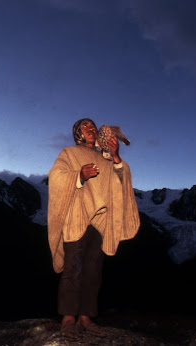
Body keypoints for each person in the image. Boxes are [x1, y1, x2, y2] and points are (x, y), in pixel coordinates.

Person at [47, 118, 140, 340]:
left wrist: (116, 156)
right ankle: (68, 318)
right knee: (73, 269)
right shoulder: (69, 153)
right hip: (76, 217)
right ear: (78, 133)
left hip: (100, 221)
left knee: (93, 270)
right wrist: (79, 175)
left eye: (92, 126)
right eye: (84, 127)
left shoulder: (105, 159)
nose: (90, 129)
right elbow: (56, 177)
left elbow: (120, 182)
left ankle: (86, 318)